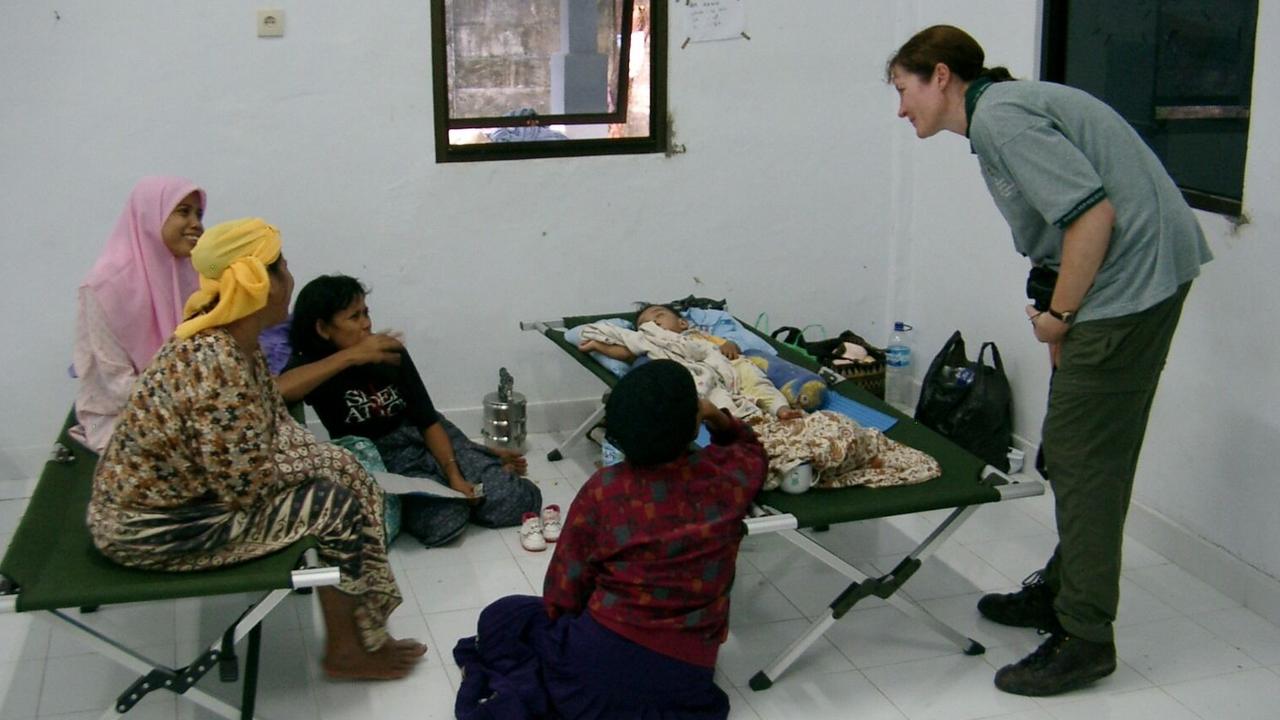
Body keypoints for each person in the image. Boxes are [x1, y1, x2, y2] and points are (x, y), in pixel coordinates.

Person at [886, 25, 1213, 696]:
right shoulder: (999, 115)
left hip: (1130, 285)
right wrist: (1057, 307)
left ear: (940, 76)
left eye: (903, 89)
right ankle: (1062, 591)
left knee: (1084, 458)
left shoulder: (1002, 117)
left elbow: (1091, 217)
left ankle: (1085, 636)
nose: (900, 109)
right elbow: (1056, 227)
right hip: (1118, 282)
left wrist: (1061, 317)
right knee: (1070, 451)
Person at [87, 219, 427, 681]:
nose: (290, 279)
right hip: (156, 527)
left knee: (341, 469)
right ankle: (346, 652)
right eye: (281, 267)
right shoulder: (215, 360)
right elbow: (243, 484)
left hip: (188, 497)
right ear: (257, 284)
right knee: (333, 504)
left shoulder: (231, 341)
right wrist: (326, 471)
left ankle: (362, 629)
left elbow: (273, 427)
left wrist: (333, 463)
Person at [452, 359, 768, 719]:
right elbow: (751, 449)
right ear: (693, 426)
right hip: (685, 680)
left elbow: (562, 592)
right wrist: (718, 417)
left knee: (504, 615)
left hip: (592, 673)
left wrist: (570, 629)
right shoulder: (728, 480)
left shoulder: (606, 491)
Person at [278, 274, 542, 547]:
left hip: (427, 436)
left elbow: (427, 420)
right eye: (354, 317)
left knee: (514, 501)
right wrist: (351, 357)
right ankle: (483, 465)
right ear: (323, 328)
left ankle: (481, 467)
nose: (367, 324)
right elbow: (279, 389)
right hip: (385, 457)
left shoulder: (390, 351)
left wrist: (454, 474)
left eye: (366, 313)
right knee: (443, 522)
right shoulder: (313, 365)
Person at [71, 176, 206, 452]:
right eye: (183, 212)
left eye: (199, 214)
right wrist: (189, 405)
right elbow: (116, 383)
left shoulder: (193, 273)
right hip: (123, 413)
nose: (196, 224)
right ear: (150, 216)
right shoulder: (103, 288)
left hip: (191, 403)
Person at [577, 303, 803, 421]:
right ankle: (739, 421)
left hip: (727, 367)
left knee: (756, 379)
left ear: (683, 323)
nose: (653, 323)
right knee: (716, 399)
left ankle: (781, 409)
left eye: (659, 316)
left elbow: (727, 346)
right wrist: (599, 346)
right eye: (646, 323)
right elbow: (627, 352)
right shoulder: (651, 340)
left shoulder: (701, 336)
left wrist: (729, 346)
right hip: (699, 376)